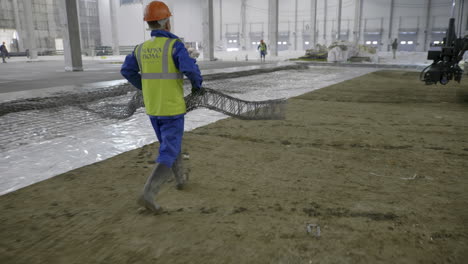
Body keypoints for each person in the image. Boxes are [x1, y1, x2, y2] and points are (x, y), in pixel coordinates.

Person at [121, 1, 203, 212]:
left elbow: (127, 71)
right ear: (167, 23)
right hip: (172, 108)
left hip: (153, 109)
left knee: (170, 145)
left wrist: (145, 87)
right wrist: (197, 87)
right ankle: (149, 193)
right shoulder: (174, 45)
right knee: (169, 149)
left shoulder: (141, 49)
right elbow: (190, 69)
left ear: (149, 24)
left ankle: (180, 180)